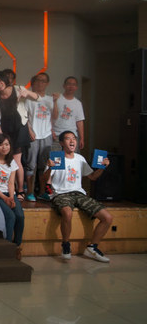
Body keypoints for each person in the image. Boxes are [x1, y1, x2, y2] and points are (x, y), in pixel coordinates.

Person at [44, 131, 113, 263]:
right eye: (68, 139)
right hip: (61, 193)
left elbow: (92, 177)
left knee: (108, 218)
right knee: (67, 213)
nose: (72, 141)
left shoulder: (80, 159)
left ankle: (92, 247)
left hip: (79, 193)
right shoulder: (56, 158)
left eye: (74, 138)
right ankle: (66, 245)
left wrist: (103, 167)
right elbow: (45, 179)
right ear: (61, 143)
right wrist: (49, 168)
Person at [0, 70, 39, 200]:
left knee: (16, 161)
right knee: (6, 160)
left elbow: (37, 97)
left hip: (19, 129)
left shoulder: (18, 89)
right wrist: (0, 132)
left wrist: (27, 93)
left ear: (5, 80)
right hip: (6, 130)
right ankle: (8, 188)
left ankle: (20, 190)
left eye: (0, 80)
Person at [0, 134, 24, 258]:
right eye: (1, 145)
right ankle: (7, 247)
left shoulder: (12, 161)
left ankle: (17, 245)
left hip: (10, 193)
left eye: (7, 144)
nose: (4, 147)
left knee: (20, 216)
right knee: (10, 216)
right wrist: (4, 197)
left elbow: (11, 182)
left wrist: (11, 197)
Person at [25, 73, 53, 201]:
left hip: (46, 135)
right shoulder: (28, 99)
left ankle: (42, 192)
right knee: (30, 165)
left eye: (43, 81)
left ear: (47, 83)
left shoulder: (50, 99)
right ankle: (30, 192)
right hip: (33, 135)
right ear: (33, 82)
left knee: (44, 166)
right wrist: (29, 130)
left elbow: (55, 116)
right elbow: (24, 117)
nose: (40, 83)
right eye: (38, 80)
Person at [52, 76, 86, 149]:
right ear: (64, 86)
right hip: (56, 135)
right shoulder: (57, 99)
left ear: (76, 87)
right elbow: (50, 117)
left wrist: (82, 138)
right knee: (56, 156)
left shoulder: (78, 103)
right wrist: (51, 131)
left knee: (70, 156)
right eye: (69, 84)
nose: (71, 86)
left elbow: (79, 121)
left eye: (73, 85)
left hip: (72, 136)